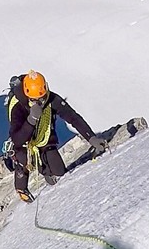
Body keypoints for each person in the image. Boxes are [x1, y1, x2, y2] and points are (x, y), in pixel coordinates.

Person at [6, 70, 107, 203]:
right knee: (23, 159)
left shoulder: (51, 99)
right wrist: (31, 120)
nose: (39, 103)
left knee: (59, 172)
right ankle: (21, 185)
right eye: (34, 100)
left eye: (41, 98)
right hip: (24, 144)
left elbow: (73, 117)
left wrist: (91, 138)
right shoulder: (18, 106)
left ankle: (47, 171)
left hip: (44, 138)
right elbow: (17, 139)